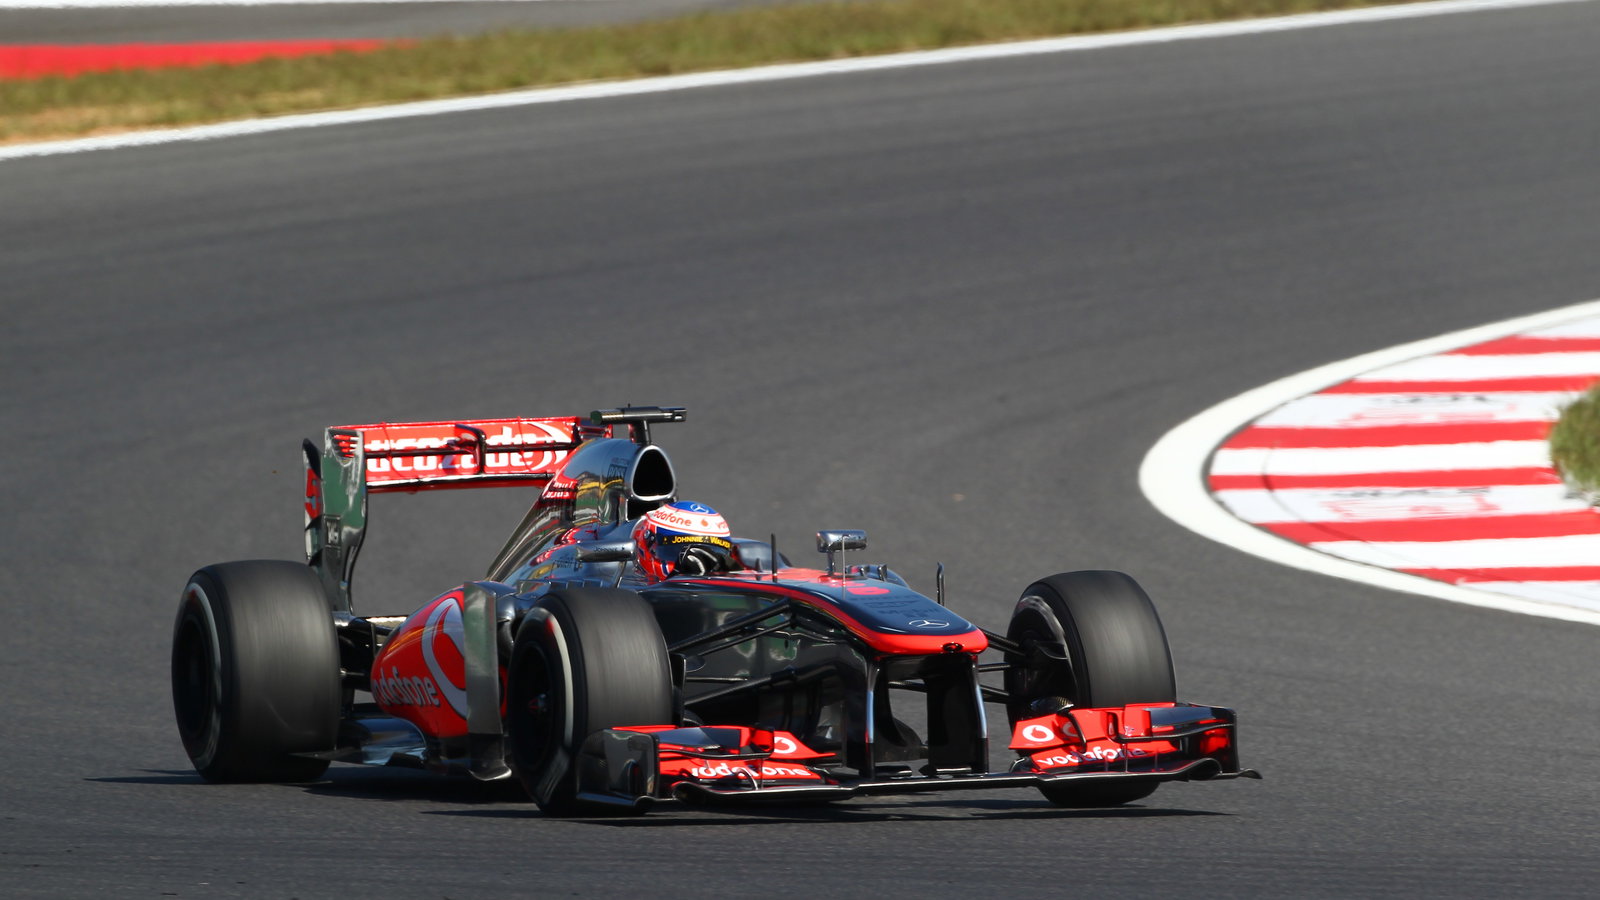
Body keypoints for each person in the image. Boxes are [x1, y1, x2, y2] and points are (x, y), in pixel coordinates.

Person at [632, 501, 737, 580]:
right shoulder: (624, 591)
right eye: (676, 551)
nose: (695, 563)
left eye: (711, 553)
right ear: (648, 544)